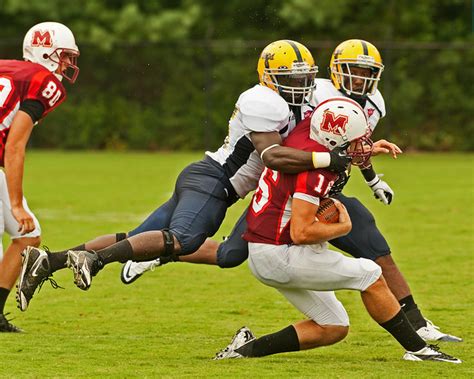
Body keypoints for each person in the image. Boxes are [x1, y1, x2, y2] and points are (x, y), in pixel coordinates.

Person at [116, 39, 462, 343]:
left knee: (377, 248)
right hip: (292, 189)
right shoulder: (316, 93)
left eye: (367, 73)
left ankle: (417, 325)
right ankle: (162, 250)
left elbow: (352, 146)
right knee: (231, 255)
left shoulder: (373, 103)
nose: (361, 79)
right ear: (336, 70)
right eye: (354, 71)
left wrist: (372, 178)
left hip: (327, 190)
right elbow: (289, 149)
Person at [16, 40, 354, 308]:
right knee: (183, 239)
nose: (300, 84)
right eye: (290, 78)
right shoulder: (263, 100)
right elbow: (273, 155)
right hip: (213, 181)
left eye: (305, 77)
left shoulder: (306, 100)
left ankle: (48, 261)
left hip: (218, 182)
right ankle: (93, 259)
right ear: (268, 78)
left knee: (151, 240)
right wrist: (327, 160)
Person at [214, 98, 460, 363]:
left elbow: (331, 151)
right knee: (371, 274)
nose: (363, 145)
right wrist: (343, 227)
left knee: (333, 326)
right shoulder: (313, 173)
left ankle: (243, 351)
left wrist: (360, 152)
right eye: (357, 140)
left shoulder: (308, 133)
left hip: (271, 248)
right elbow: (301, 232)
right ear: (336, 142)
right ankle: (419, 350)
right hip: (280, 252)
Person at [0, 21, 80, 332]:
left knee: (27, 236)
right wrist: (16, 204)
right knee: (19, 225)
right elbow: (15, 146)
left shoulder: (8, 67)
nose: (68, 64)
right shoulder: (44, 82)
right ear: (46, 52)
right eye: (64, 56)